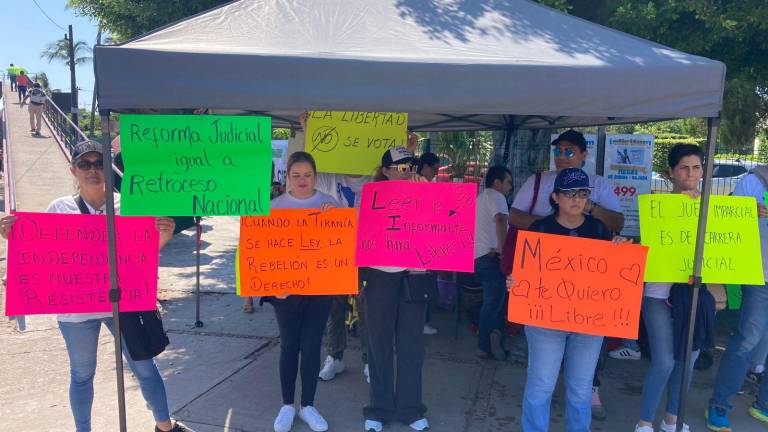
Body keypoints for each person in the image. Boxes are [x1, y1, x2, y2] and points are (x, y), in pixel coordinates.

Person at [0, 140, 189, 432]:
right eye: (85, 164)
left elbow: (142, 257)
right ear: (73, 169)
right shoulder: (58, 208)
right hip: (76, 311)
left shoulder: (128, 206)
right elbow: (43, 256)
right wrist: (16, 238)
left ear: (109, 169)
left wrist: (162, 239)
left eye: (99, 163)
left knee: (145, 367)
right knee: (82, 374)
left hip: (123, 304)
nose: (93, 170)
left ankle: (164, 425)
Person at [509, 129, 624, 418]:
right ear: (556, 197)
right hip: (545, 321)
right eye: (569, 193)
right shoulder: (539, 230)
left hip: (588, 321)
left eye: (582, 194)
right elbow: (526, 273)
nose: (576, 199)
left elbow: (609, 274)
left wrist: (620, 253)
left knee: (581, 388)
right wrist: (516, 281)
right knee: (540, 385)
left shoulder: (599, 230)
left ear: (589, 197)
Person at [634, 144, 715, 432]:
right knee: (665, 361)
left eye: (696, 167)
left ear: (703, 170)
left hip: (693, 296)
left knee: (688, 360)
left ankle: (671, 420)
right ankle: (644, 422)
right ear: (671, 172)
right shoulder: (656, 206)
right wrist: (679, 206)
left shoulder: (713, 208)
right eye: (684, 167)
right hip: (657, 294)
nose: (690, 173)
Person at [267, 151, 339, 432]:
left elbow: (340, 246)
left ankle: (308, 405)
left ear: (315, 176)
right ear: (288, 176)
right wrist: (273, 287)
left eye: (307, 175)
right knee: (289, 347)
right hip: (285, 293)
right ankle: (287, 405)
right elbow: (263, 253)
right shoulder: (275, 207)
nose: (302, 180)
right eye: (296, 175)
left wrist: (335, 221)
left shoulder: (329, 204)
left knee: (311, 347)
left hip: (320, 290)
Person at [363, 147, 429, 432]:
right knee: (378, 344)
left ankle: (411, 409)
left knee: (412, 345)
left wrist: (425, 195)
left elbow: (442, 228)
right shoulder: (371, 196)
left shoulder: (427, 191)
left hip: (414, 276)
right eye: (401, 167)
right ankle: (378, 408)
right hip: (380, 277)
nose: (408, 172)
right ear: (387, 170)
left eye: (411, 166)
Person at [705, 162, 768, 431]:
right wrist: (747, 213)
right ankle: (719, 406)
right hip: (760, 274)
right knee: (747, 339)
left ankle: (763, 404)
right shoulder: (755, 181)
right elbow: (726, 218)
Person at [474, 165, 513, 360]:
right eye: (508, 183)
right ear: (497, 182)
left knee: (495, 301)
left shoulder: (480, 199)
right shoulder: (497, 197)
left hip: (479, 257)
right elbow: (500, 219)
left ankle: (494, 337)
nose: (509, 188)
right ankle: (484, 344)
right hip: (491, 257)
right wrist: (502, 248)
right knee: (494, 302)